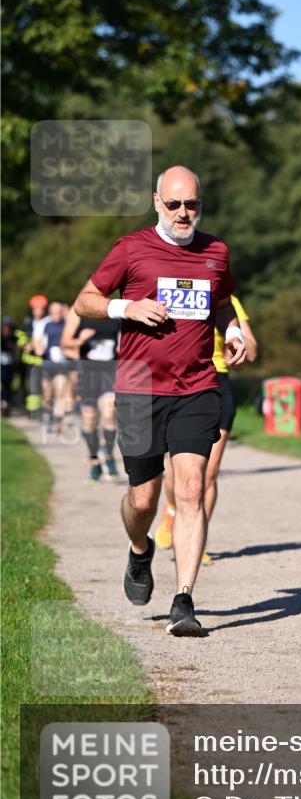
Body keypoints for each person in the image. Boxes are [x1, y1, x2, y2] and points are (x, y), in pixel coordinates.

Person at [72, 165, 246, 637]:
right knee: (143, 497)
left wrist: (230, 329)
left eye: (192, 204)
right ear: (156, 203)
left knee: (189, 489)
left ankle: (184, 599)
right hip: (138, 388)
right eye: (174, 204)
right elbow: (84, 300)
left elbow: (223, 300)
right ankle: (139, 549)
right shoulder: (131, 249)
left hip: (196, 387)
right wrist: (125, 307)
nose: (183, 213)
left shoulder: (216, 251)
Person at [153, 294, 258, 563]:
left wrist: (239, 345)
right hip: (180, 382)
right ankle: (173, 512)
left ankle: (194, 543)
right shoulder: (172, 289)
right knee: (176, 472)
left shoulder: (226, 298)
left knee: (208, 473)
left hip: (218, 383)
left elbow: (253, 348)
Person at [61, 306, 120, 482]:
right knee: (89, 419)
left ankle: (108, 455)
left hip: (109, 372)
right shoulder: (79, 312)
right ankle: (94, 461)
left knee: (109, 412)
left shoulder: (115, 311)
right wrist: (80, 340)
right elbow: (65, 343)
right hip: (87, 375)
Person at [35, 301, 73, 434]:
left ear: (62, 312)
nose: (56, 314)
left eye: (58, 311)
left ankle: (59, 421)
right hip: (47, 364)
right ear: (50, 312)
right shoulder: (45, 324)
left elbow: (72, 340)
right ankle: (48, 417)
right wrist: (39, 348)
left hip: (62, 365)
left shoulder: (67, 324)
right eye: (54, 311)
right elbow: (38, 341)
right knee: (47, 394)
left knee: (60, 392)